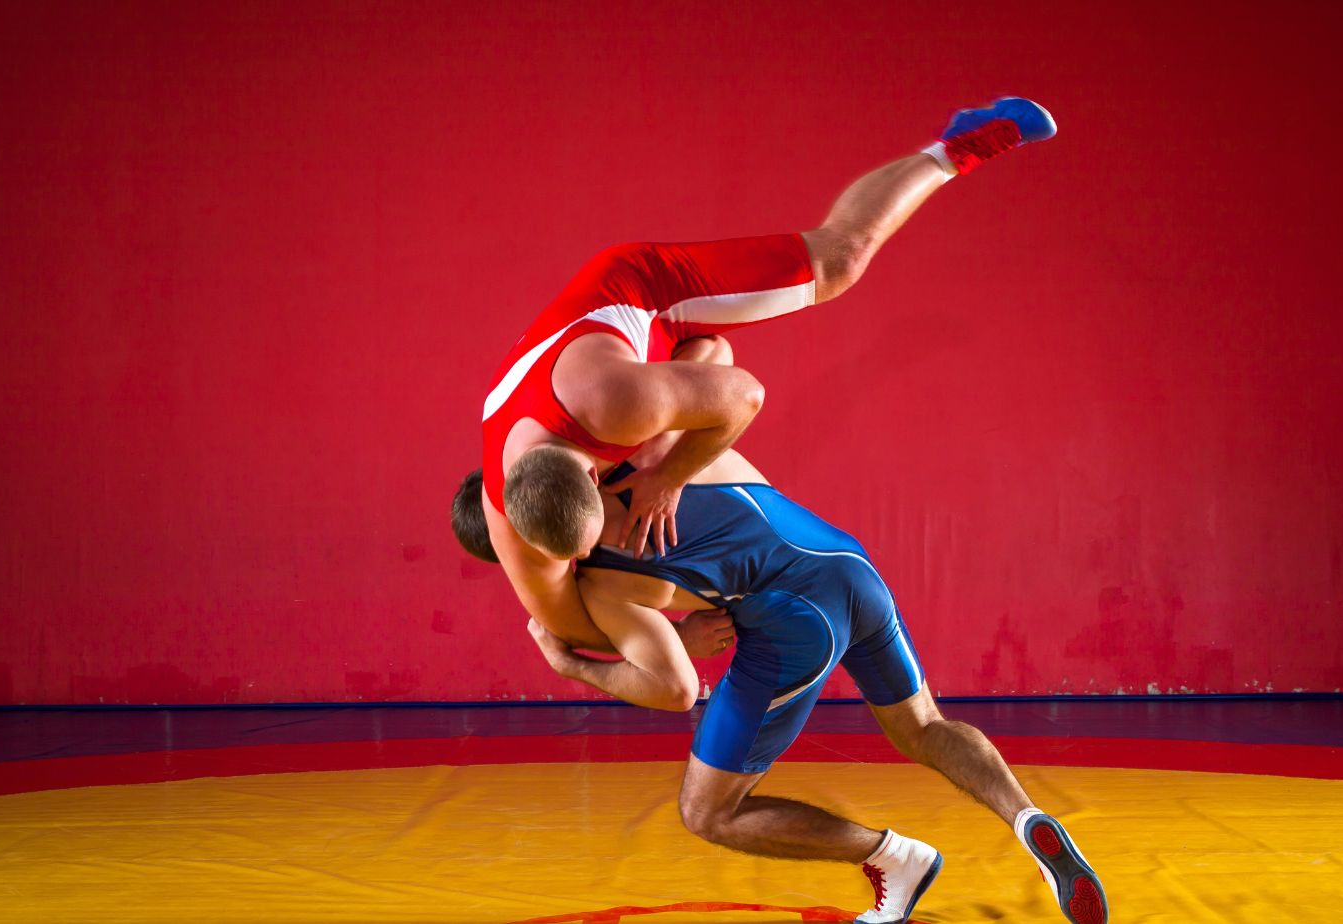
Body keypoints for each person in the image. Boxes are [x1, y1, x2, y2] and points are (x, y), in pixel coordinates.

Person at [461, 98, 1058, 655]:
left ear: (596, 473)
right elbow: (567, 628)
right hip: (631, 376)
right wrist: (679, 639)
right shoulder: (511, 532)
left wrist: (669, 476)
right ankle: (688, 386)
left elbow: (747, 396)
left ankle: (960, 146)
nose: (602, 552)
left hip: (642, 297)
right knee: (705, 363)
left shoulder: (615, 406)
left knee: (840, 260)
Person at [454, 447, 1108, 924]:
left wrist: (575, 668)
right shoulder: (646, 447)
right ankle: (1026, 816)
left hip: (796, 625)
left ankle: (894, 856)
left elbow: (675, 689)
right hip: (849, 566)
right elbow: (718, 375)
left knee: (708, 812)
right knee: (924, 726)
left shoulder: (599, 582)